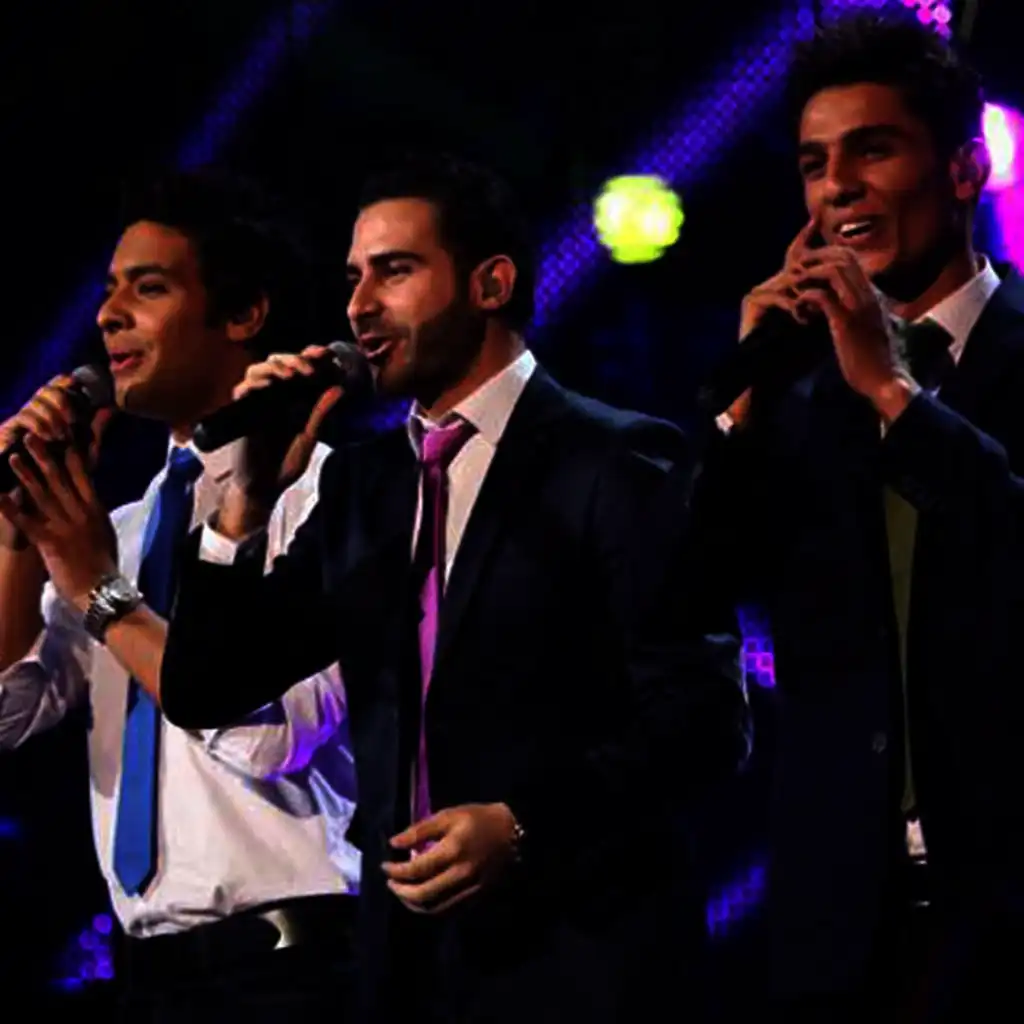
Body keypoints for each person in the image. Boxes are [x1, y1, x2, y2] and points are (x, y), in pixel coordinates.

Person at [150, 153, 748, 1023]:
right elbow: (206, 686)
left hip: (583, 956)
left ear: (490, 283)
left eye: (394, 271)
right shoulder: (363, 487)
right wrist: (245, 501)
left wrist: (522, 824)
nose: (359, 306)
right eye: (353, 278)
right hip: (409, 972)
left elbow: (704, 722)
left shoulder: (616, 459)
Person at [694, 13, 1024, 1022]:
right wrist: (744, 400)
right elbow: (684, 593)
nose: (836, 187)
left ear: (964, 170)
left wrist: (893, 394)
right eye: (813, 164)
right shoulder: (799, 400)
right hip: (843, 920)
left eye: (872, 150)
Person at [0, 172, 360, 1022]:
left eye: (149, 288)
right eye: (108, 290)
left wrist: (98, 593)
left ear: (243, 315)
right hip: (147, 976)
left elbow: (274, 737)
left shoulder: (328, 497)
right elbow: (8, 719)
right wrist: (18, 535)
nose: (107, 316)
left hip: (294, 973)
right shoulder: (118, 532)